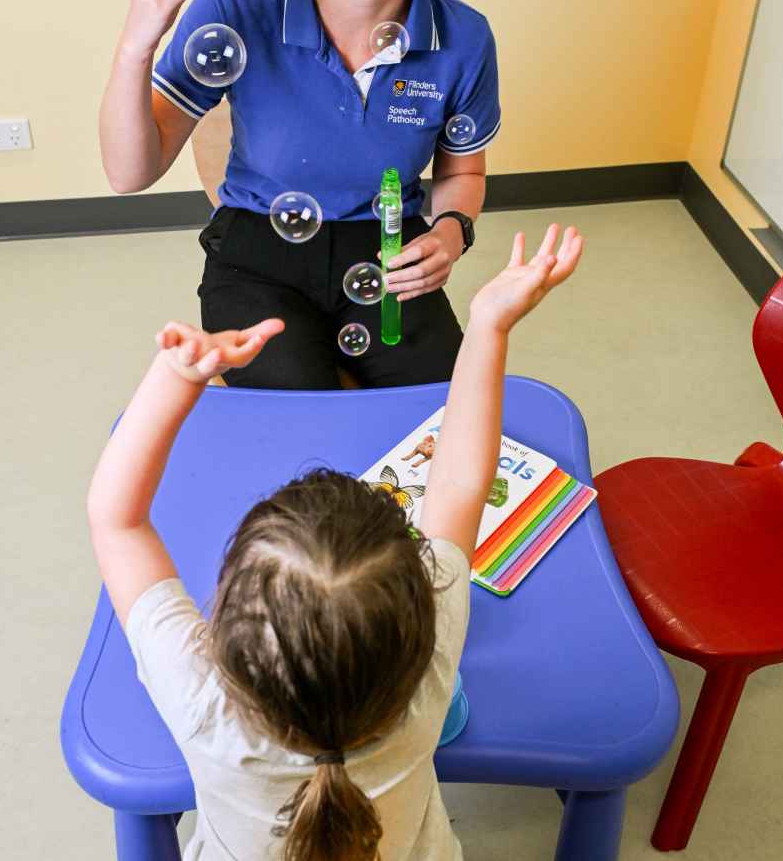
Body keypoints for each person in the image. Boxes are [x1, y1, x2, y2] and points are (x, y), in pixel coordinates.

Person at [87, 222, 584, 861]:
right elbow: (460, 485)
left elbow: (116, 520)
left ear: (225, 632)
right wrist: (489, 324)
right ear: (415, 618)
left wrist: (177, 376)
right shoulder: (430, 671)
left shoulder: (204, 706)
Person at [99, 0, 501, 390]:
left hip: (388, 252)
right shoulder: (239, 6)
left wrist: (452, 233)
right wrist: (137, 42)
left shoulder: (464, 39)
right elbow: (131, 172)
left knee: (441, 423)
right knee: (300, 429)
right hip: (257, 255)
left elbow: (461, 173)